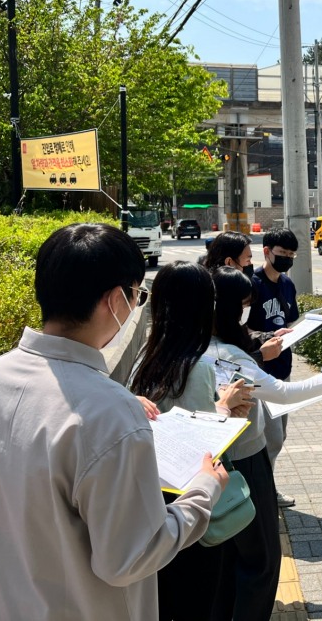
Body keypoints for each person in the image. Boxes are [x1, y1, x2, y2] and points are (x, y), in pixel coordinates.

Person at [0, 223, 229, 620]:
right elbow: (130, 557)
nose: (135, 305)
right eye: (137, 294)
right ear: (115, 300)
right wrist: (203, 491)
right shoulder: (111, 412)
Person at [208, 265, 322, 621]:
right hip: (245, 463)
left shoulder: (185, 347)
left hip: (207, 465)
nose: (246, 312)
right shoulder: (227, 355)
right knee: (262, 557)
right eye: (243, 304)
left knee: (224, 555)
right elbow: (282, 392)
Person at [129, 261, 254, 621]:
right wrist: (225, 408)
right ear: (203, 307)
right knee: (197, 603)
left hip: (153, 503)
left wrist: (219, 407)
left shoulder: (147, 355)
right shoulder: (195, 366)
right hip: (190, 512)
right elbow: (201, 445)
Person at [246, 227, 300, 507]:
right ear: (266, 252)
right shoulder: (251, 285)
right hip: (260, 372)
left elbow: (289, 321)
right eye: (282, 253)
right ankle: (262, 493)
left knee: (279, 435)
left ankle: (266, 488)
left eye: (291, 255)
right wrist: (266, 338)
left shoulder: (288, 284)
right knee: (272, 438)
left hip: (283, 370)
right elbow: (242, 328)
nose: (287, 259)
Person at [201, 231, 287, 366]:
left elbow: (238, 331)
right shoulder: (212, 298)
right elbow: (222, 362)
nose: (250, 265)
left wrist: (268, 336)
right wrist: (260, 356)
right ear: (229, 262)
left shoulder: (225, 289)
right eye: (247, 260)